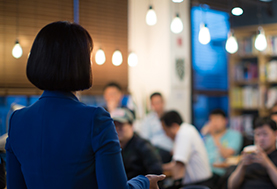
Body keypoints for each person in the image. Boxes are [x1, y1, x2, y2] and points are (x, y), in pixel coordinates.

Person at [5, 21, 164, 189]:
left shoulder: (17, 120)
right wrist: (144, 182)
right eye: (89, 57)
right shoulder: (96, 119)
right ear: (79, 64)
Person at [228, 117, 277, 189]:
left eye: (265, 134)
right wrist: (242, 166)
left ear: (276, 134)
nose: (261, 138)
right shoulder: (249, 156)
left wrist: (267, 163)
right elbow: (231, 186)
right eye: (257, 134)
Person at [161, 111, 213, 188]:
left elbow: (178, 165)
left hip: (199, 185)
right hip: (200, 183)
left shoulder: (184, 133)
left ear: (174, 126)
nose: (166, 134)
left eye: (165, 130)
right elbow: (175, 164)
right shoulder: (187, 129)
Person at [111, 108, 163, 180]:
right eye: (114, 125)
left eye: (120, 125)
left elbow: (156, 172)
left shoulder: (143, 146)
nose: (117, 129)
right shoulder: (112, 148)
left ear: (131, 125)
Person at [203, 109, 242, 176]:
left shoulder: (235, 135)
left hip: (220, 173)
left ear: (225, 121)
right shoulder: (207, 137)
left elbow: (226, 155)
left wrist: (214, 136)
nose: (214, 123)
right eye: (212, 120)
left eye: (217, 120)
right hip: (205, 170)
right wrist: (203, 135)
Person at [138, 92, 173, 163]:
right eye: (154, 103)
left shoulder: (171, 117)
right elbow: (145, 139)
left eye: (158, 102)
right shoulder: (148, 120)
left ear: (163, 102)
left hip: (168, 149)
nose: (157, 105)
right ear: (151, 105)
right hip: (154, 149)